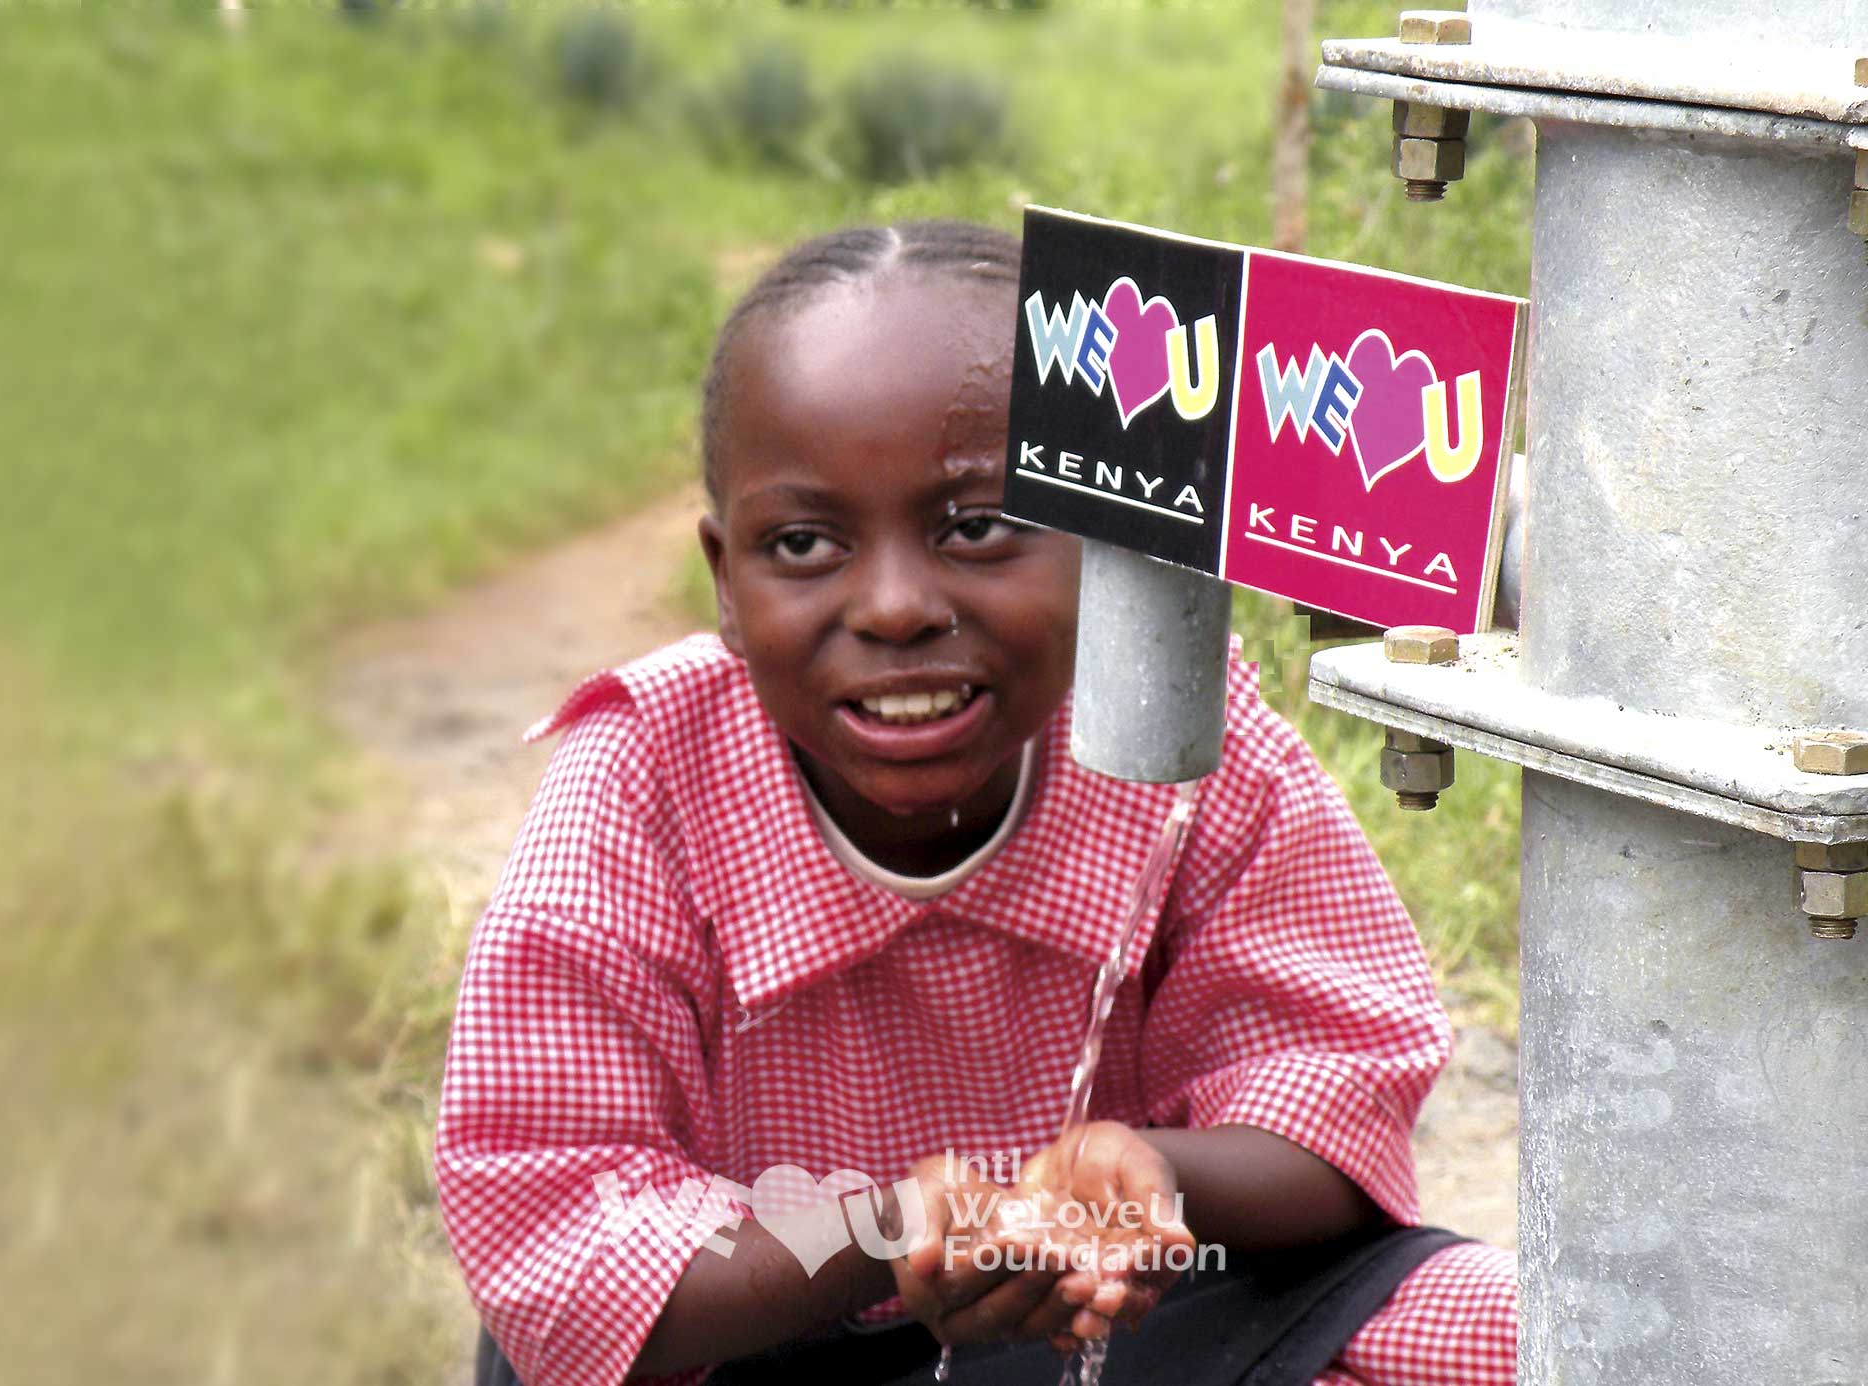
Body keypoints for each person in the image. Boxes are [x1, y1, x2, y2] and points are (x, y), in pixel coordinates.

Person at [435, 221, 1517, 1386]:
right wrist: (888, 1233)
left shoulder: (1171, 749)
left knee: (1491, 1327)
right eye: (803, 543)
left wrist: (1151, 1173)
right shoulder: (645, 787)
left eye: (981, 526)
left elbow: (1333, 1098)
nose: (896, 607)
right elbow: (554, 1239)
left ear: (1102, 539)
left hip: (1110, 1321)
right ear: (726, 583)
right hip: (748, 1345)